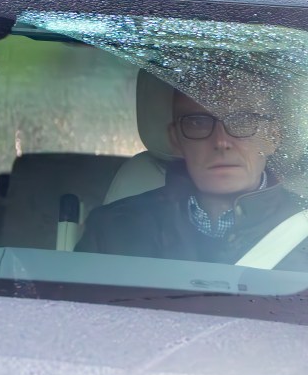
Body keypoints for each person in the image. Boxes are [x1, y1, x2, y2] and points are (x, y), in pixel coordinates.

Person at [75, 84, 308, 270]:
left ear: (273, 137)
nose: (221, 142)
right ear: (176, 139)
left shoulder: (302, 230)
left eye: (242, 121)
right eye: (197, 122)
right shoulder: (112, 230)